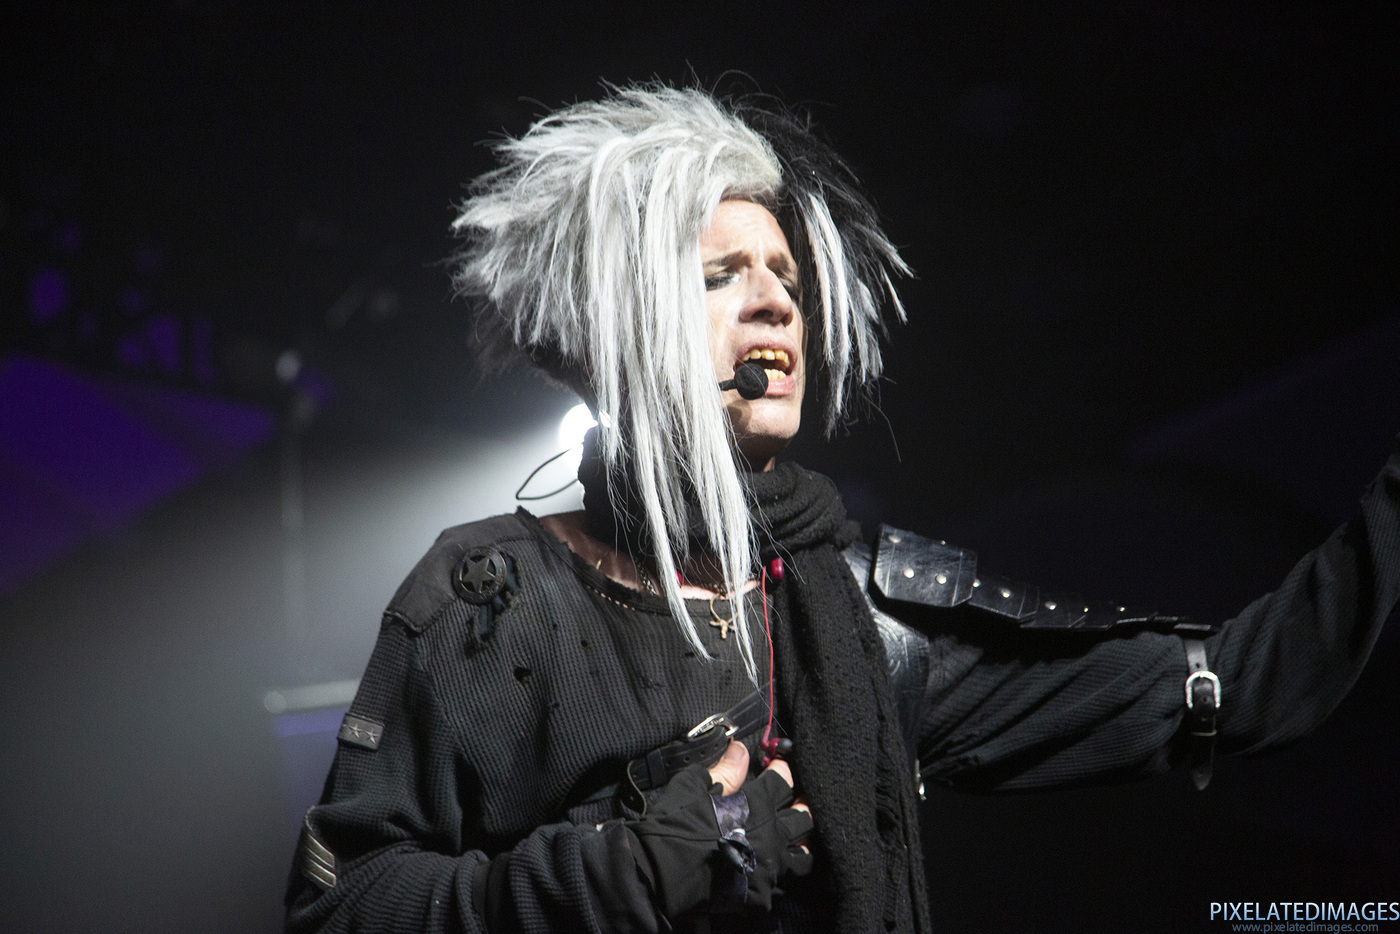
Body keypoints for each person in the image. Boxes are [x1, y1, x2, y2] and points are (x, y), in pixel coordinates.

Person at [283, 85, 1399, 934]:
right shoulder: (489, 600)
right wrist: (627, 871)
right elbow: (342, 907)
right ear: (619, 328)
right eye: (719, 274)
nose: (775, 298)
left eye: (785, 275)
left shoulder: (872, 628)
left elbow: (1248, 682)